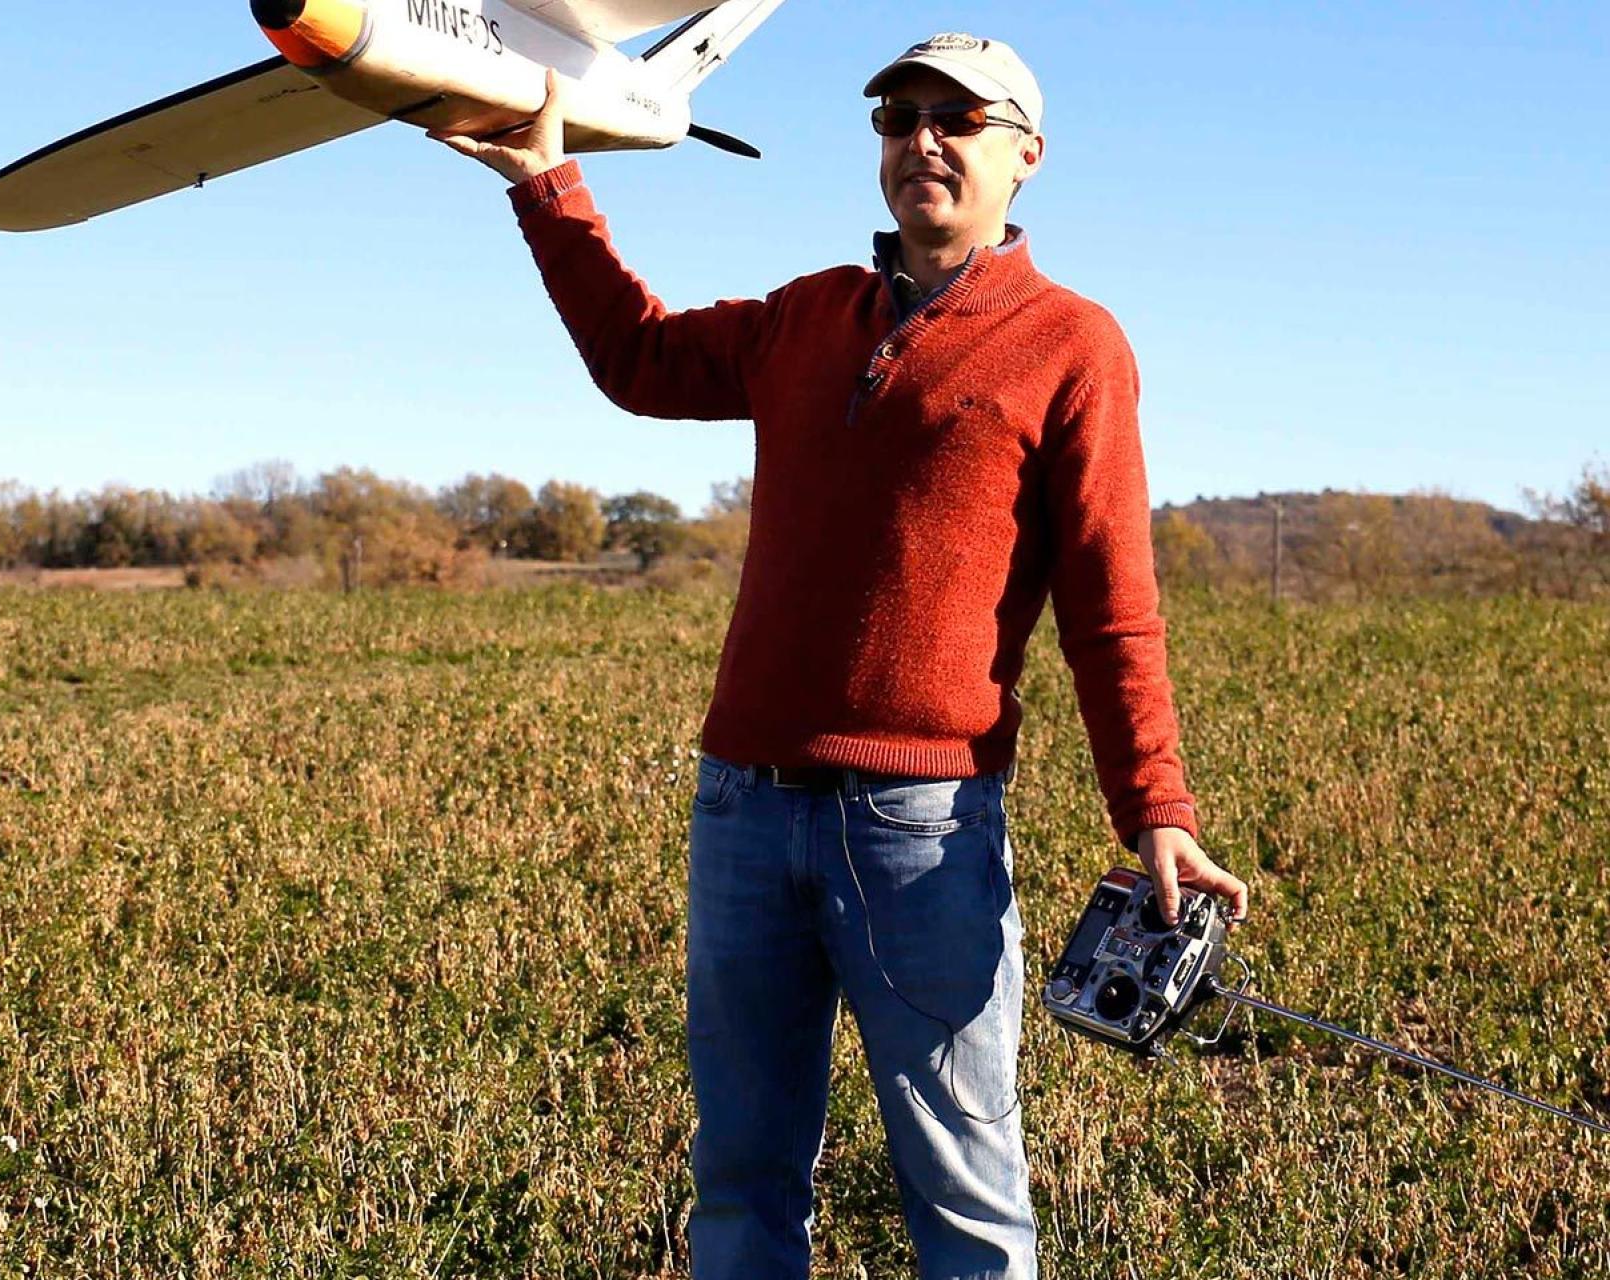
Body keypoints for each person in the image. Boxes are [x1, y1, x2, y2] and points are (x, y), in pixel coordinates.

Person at [431, 31, 1250, 1280]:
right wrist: (546, 184)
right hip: (743, 810)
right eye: (895, 117)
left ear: (1024, 156)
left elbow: (1110, 607)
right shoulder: (807, 314)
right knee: (742, 1182)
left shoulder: (1071, 344)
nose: (919, 139)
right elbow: (638, 358)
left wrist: (1157, 809)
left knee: (963, 1193)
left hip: (921, 830)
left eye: (955, 119)